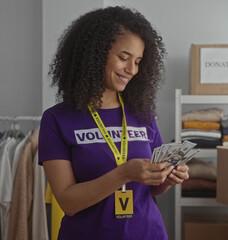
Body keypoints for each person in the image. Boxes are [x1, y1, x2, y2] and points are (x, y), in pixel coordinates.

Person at [38, 6, 189, 240]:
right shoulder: (56, 119)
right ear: (95, 54)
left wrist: (167, 178)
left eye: (138, 61)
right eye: (124, 58)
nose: (132, 70)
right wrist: (124, 173)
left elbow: (152, 189)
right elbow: (68, 202)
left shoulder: (142, 114)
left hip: (149, 233)